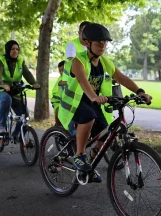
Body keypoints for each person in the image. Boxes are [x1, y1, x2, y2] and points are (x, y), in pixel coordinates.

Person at [58, 23, 152, 183]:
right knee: (88, 116)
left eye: (105, 42)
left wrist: (140, 92)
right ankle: (79, 156)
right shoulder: (78, 61)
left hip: (92, 100)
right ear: (87, 43)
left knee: (107, 131)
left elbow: (121, 78)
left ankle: (90, 164)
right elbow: (82, 81)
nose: (103, 45)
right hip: (74, 102)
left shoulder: (104, 62)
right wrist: (94, 97)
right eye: (98, 42)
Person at [0, 40, 40, 137]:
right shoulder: (1, 61)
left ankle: (15, 135)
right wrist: (2, 84)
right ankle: (1, 126)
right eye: (13, 49)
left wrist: (34, 83)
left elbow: (27, 73)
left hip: (14, 91)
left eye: (17, 49)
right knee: (6, 99)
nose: (15, 51)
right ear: (8, 50)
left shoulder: (20, 61)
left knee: (25, 115)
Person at [60, 21, 92, 133]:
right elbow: (72, 62)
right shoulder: (72, 45)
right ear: (79, 32)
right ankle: (72, 141)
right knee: (74, 117)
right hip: (73, 85)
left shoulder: (91, 45)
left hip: (85, 85)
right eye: (83, 31)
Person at [50, 60, 65, 126]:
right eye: (60, 71)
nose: (61, 72)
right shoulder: (61, 78)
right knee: (58, 117)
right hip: (57, 102)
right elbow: (61, 83)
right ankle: (57, 130)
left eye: (63, 70)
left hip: (65, 101)